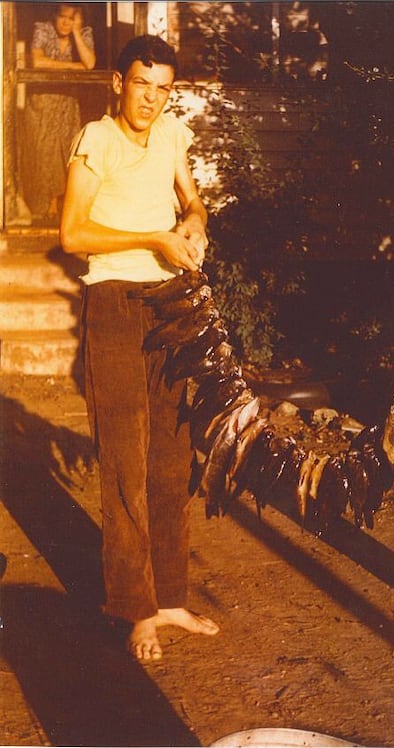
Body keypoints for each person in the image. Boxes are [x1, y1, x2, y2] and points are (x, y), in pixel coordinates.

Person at [60, 34, 220, 661]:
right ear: (118, 84)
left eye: (162, 89)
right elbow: (72, 232)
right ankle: (135, 607)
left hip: (170, 305)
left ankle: (172, 595)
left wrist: (195, 223)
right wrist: (155, 239)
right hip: (115, 304)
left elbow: (192, 198)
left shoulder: (173, 134)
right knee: (127, 459)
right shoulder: (96, 139)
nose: (150, 99)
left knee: (175, 454)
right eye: (141, 85)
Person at [22, 3, 96, 221]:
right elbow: (36, 61)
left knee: (67, 150)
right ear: (54, 16)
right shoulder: (43, 29)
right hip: (42, 102)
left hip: (67, 102)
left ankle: (64, 205)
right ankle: (46, 206)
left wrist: (75, 32)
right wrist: (74, 68)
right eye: (62, 17)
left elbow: (90, 63)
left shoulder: (83, 34)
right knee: (43, 151)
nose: (66, 22)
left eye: (72, 18)